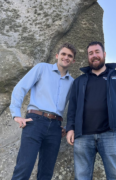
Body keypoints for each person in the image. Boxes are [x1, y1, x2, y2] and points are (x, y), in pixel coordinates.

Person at [66, 41, 116, 180]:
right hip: (83, 136)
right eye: (90, 53)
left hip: (110, 134)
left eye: (97, 52)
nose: (94, 56)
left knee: (115, 176)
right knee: (81, 177)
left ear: (104, 54)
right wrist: (70, 128)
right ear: (88, 57)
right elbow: (72, 107)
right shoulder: (79, 81)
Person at [10, 43, 76, 180]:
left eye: (70, 56)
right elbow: (20, 88)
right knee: (24, 169)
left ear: (73, 61)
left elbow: (74, 108)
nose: (66, 57)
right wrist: (16, 115)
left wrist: (68, 127)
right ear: (57, 56)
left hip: (56, 128)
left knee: (46, 174)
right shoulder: (41, 68)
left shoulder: (72, 83)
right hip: (35, 122)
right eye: (63, 54)